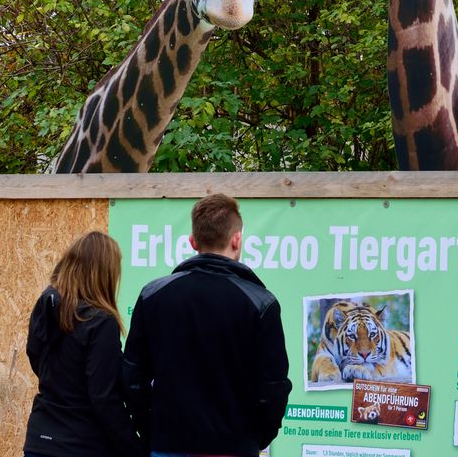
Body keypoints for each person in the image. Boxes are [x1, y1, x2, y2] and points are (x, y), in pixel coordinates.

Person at [123, 193, 292, 457]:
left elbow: (133, 377)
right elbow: (274, 387)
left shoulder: (152, 296)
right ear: (237, 240)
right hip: (233, 447)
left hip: (168, 445)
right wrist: (254, 438)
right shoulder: (261, 303)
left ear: (193, 241)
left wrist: (150, 430)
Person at [23, 230, 144, 457]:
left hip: (40, 440)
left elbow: (35, 358)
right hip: (81, 444)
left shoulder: (47, 306)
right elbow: (104, 397)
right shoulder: (100, 322)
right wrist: (135, 448)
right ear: (105, 273)